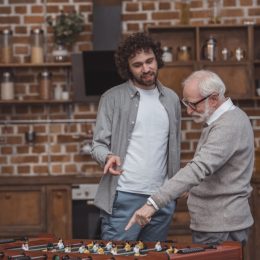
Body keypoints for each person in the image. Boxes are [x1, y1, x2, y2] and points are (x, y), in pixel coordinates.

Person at [126, 70, 254, 246]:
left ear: (214, 99)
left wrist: (152, 204)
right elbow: (216, 168)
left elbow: (198, 168)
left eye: (193, 104)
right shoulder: (227, 119)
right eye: (186, 103)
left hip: (220, 227)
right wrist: (191, 187)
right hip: (218, 225)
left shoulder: (228, 125)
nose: (188, 110)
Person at [91, 32, 181, 241]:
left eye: (149, 61)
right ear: (127, 68)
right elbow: (98, 145)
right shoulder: (112, 98)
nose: (146, 68)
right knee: (118, 256)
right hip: (124, 195)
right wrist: (107, 156)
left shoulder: (171, 99)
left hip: (161, 197)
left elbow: (175, 146)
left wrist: (175, 187)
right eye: (138, 64)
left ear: (157, 58)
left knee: (154, 256)